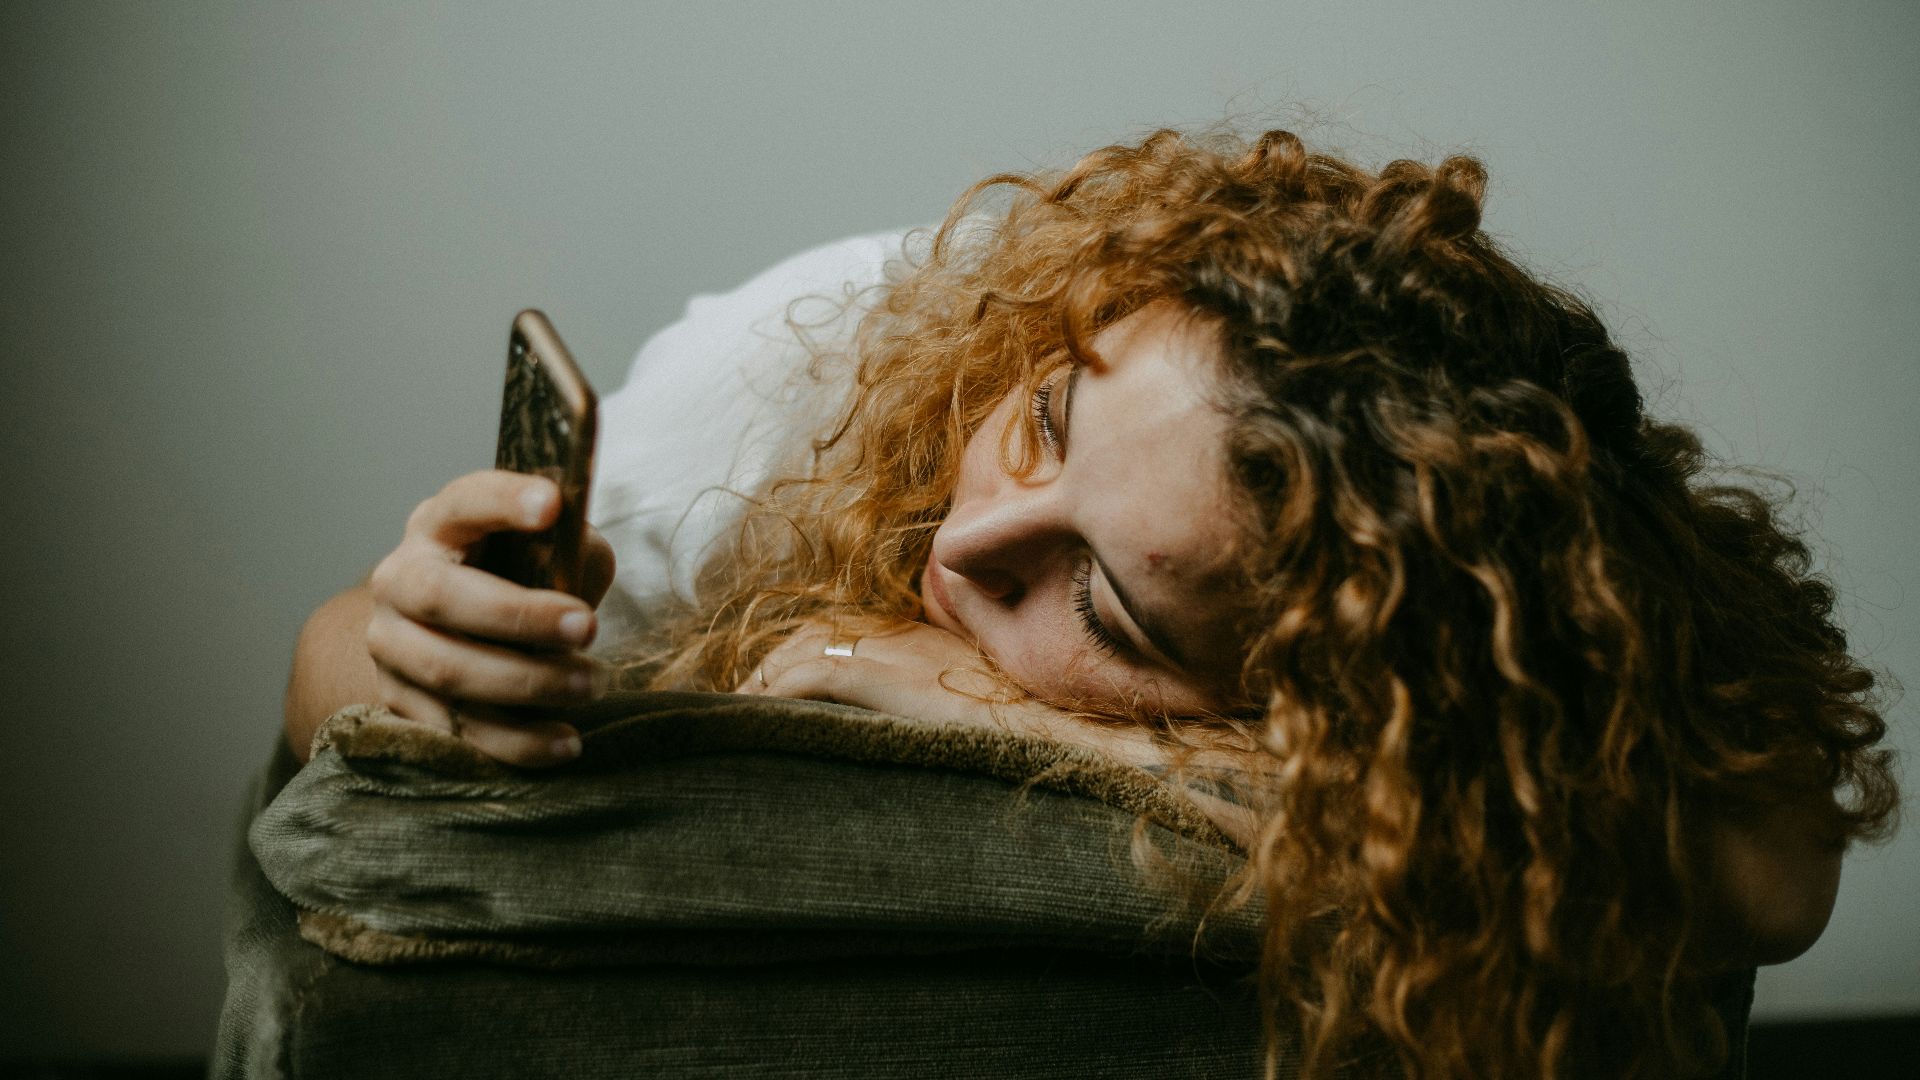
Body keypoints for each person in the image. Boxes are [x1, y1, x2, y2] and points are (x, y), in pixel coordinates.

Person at [281, 129, 1897, 1079]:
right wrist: (419, 630)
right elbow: (320, 695)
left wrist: (993, 713)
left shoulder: (1451, 587)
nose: (971, 549)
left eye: (1112, 611)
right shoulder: (787, 379)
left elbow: (1767, 871)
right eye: (1044, 428)